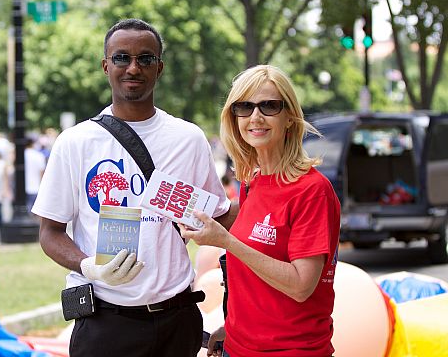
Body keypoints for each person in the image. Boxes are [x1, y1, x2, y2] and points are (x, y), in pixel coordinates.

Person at [31, 18, 236, 357]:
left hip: (177, 319)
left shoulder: (189, 139)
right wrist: (86, 265)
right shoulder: (75, 142)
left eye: (146, 58)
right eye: (122, 57)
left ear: (160, 68)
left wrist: (271, 190)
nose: (133, 68)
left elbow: (219, 217)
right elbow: (50, 232)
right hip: (106, 323)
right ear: (105, 65)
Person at [181, 65, 341, 357]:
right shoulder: (251, 183)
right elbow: (255, 283)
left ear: (290, 118)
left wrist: (227, 241)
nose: (255, 117)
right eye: (244, 107)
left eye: (269, 106)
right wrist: (231, 329)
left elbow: (300, 286)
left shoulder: (312, 190)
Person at [24, 138, 45, 212]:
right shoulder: (39, 155)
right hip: (36, 187)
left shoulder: (21, 155)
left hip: (23, 188)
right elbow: (42, 172)